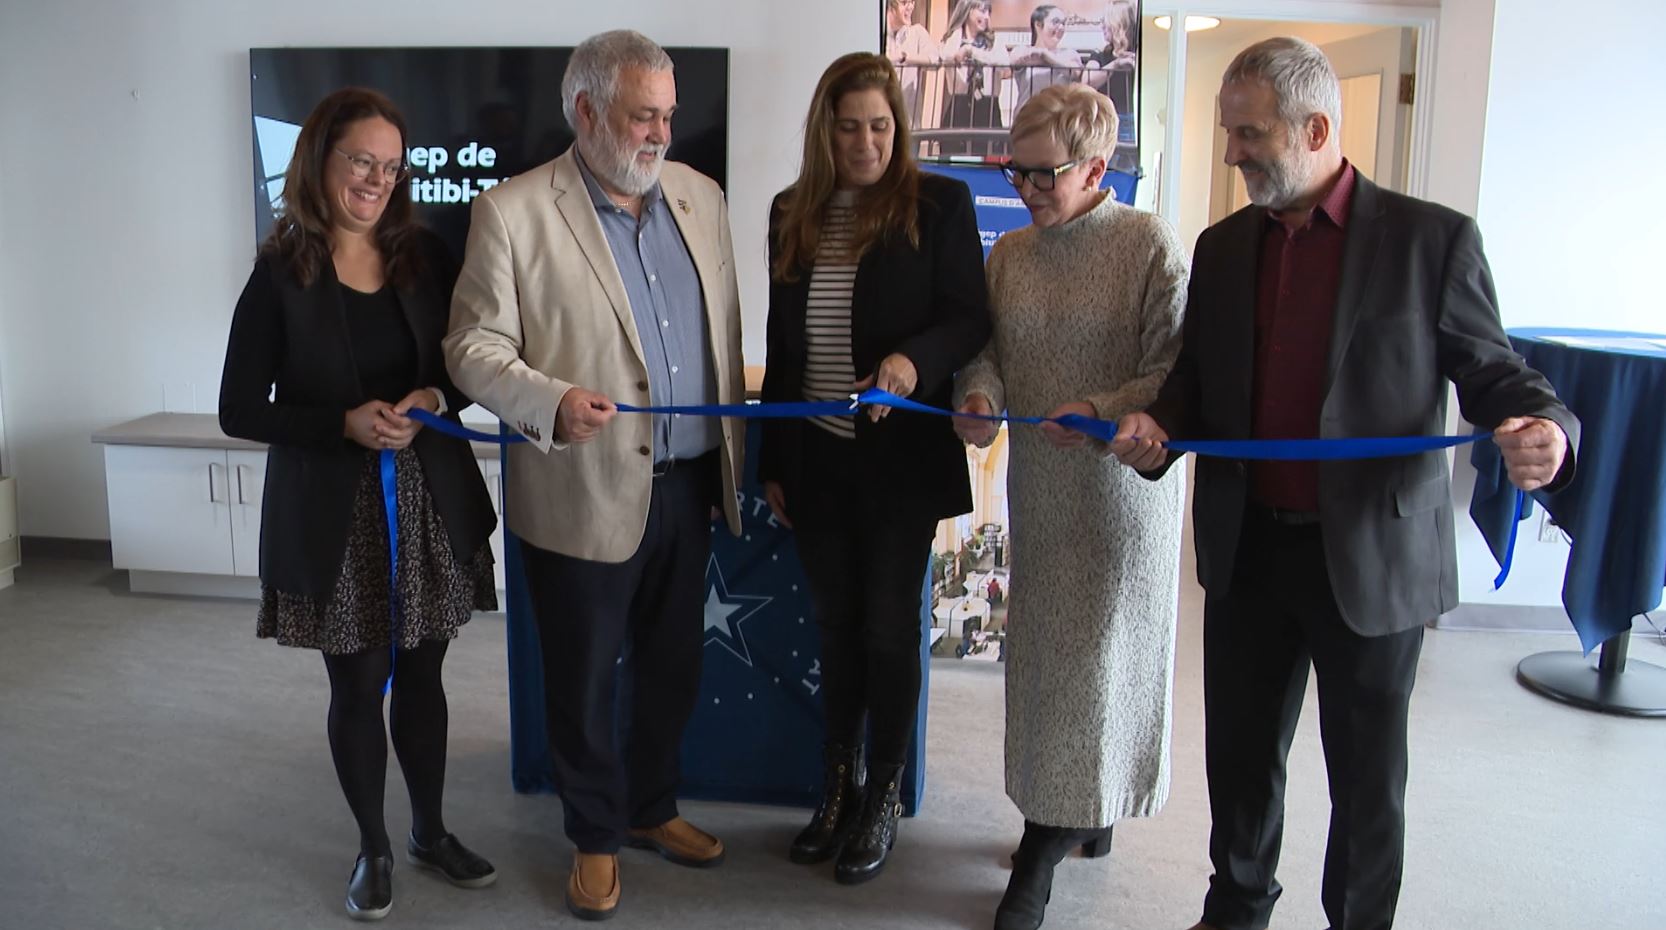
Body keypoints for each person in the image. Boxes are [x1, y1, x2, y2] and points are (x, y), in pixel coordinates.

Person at [1108, 38, 1580, 930]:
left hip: (1371, 555)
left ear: (1316, 129)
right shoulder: (1222, 247)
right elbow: (1195, 382)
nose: (1233, 153)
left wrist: (1546, 425)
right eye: (1229, 132)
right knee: (1241, 759)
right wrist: (1157, 427)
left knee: (1365, 776)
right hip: (1249, 550)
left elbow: (1493, 371)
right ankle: (1237, 908)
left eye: (1250, 134)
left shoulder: (1431, 241)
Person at [443, 30, 745, 923]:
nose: (661, 134)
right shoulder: (512, 212)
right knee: (582, 682)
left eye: (668, 116)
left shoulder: (700, 197)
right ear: (585, 110)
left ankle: (652, 807)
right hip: (581, 487)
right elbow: (470, 347)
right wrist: (549, 400)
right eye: (643, 115)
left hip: (689, 484)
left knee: (673, 667)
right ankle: (596, 837)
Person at [218, 87, 500, 922]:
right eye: (361, 161)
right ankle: (373, 847)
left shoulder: (426, 256)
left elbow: (467, 365)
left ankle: (429, 832)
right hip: (335, 514)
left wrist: (434, 399)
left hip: (427, 501)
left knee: (425, 675)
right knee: (360, 681)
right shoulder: (281, 274)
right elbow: (238, 408)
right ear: (320, 160)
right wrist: (339, 422)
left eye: (391, 166)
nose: (377, 179)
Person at [952, 83, 1189, 930]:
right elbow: (988, 350)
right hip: (1044, 495)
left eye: (1043, 174)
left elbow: (1172, 371)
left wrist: (1096, 409)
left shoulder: (1147, 244)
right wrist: (980, 396)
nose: (1025, 190)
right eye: (1015, 173)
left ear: (1096, 167)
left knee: (1100, 667)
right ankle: (1077, 813)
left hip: (1123, 494)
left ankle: (1043, 850)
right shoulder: (1012, 254)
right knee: (1048, 669)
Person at [759, 51, 991, 886]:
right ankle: (838, 788)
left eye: (881, 127)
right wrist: (773, 462)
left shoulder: (939, 204)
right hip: (816, 456)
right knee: (835, 628)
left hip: (899, 465)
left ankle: (883, 794)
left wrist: (911, 362)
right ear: (825, 131)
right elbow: (785, 346)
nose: (866, 144)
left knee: (889, 630)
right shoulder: (792, 210)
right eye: (850, 128)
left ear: (901, 129)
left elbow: (969, 317)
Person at [937, 0, 1011, 156]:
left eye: (988, 12)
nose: (986, 17)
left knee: (988, 158)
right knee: (954, 156)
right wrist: (961, 44)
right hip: (959, 106)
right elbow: (946, 56)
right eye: (982, 11)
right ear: (967, 10)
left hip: (988, 107)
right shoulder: (952, 39)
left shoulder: (994, 41)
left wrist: (971, 51)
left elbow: (1004, 64)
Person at [1009, 4, 1085, 118]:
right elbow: (1014, 61)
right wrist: (1056, 63)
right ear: (1038, 25)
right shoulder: (1021, 50)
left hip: (1059, 119)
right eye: (1055, 22)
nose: (1061, 27)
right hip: (1027, 118)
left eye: (1063, 23)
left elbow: (1075, 71)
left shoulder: (1070, 54)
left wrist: (1045, 55)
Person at [884, 0, 939, 126]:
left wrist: (905, 57)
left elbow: (936, 60)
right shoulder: (874, 33)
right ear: (890, 5)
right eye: (904, 2)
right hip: (881, 120)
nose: (910, 7)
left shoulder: (917, 33)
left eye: (912, 2)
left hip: (910, 124)